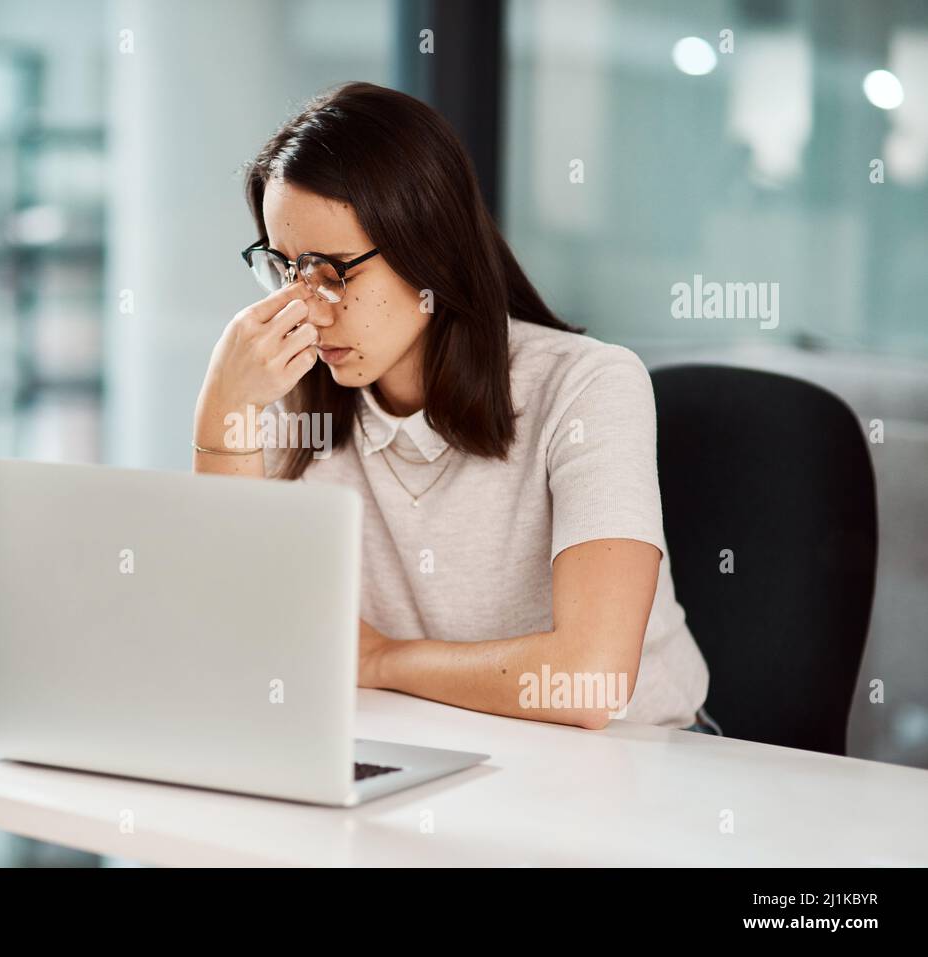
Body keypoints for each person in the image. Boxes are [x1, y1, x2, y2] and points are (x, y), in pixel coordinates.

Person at [193, 81, 715, 733]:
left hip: (644, 763)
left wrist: (384, 660)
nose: (305, 309)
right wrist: (222, 414)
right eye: (285, 268)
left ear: (428, 250)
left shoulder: (589, 386)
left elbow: (590, 681)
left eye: (332, 274)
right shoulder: (295, 406)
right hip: (441, 747)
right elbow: (243, 654)